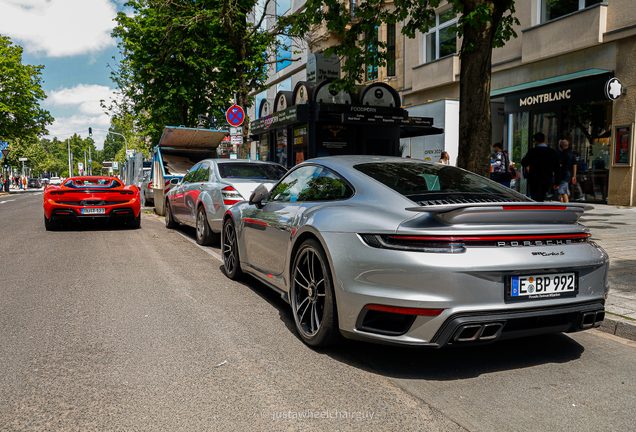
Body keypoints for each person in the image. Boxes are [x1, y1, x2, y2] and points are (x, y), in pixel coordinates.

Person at [521, 132, 560, 202]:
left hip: (535, 180)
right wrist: (557, 182)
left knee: (535, 198)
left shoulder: (533, 152)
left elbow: (524, 162)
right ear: (544, 140)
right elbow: (557, 168)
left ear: (535, 142)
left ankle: (536, 211)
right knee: (542, 197)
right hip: (547, 179)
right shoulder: (552, 152)